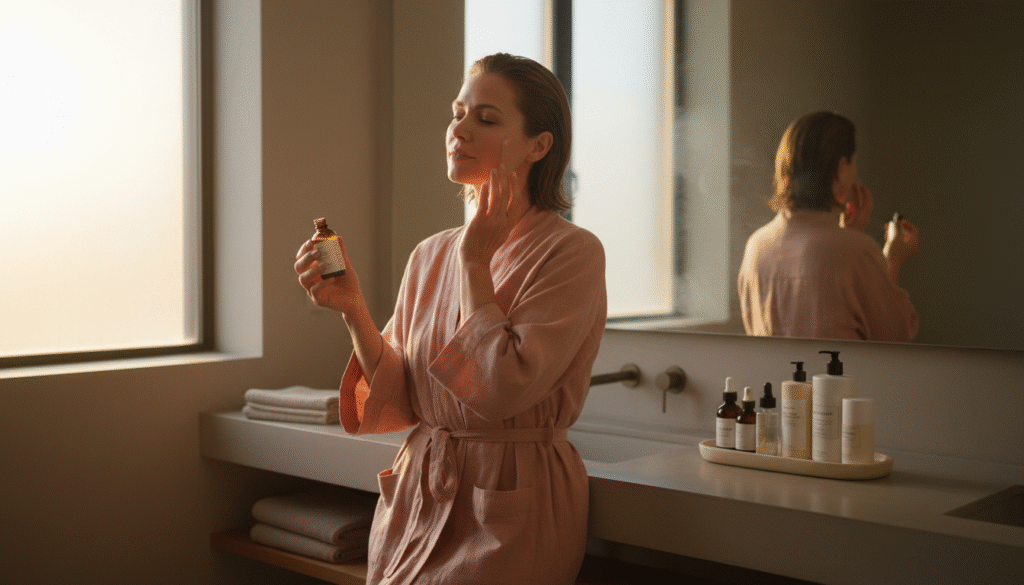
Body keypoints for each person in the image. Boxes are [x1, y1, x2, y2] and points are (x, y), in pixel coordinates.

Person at [295, 53, 607, 585]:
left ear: (539, 145)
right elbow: (400, 399)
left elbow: (503, 388)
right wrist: (353, 309)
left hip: (510, 499)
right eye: (457, 113)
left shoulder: (570, 252)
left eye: (485, 118)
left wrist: (475, 261)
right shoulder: (430, 253)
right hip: (421, 491)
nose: (459, 130)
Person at [738, 111, 919, 342]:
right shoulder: (856, 251)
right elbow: (896, 338)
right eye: (854, 162)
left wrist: (848, 236)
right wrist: (892, 261)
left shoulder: (756, 245)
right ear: (841, 169)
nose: (856, 174)